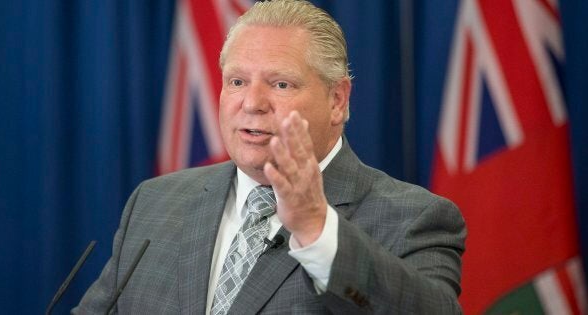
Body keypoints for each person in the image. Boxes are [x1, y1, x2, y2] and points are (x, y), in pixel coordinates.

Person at [74, 0, 466, 313]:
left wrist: (316, 229)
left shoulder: (414, 219)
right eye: (237, 81)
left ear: (337, 100)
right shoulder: (156, 202)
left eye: (280, 83)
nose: (252, 103)